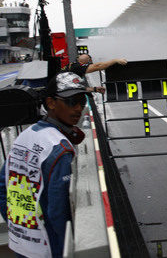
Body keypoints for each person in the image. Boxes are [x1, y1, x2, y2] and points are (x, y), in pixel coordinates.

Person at [0, 72, 89, 258]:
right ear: (51, 103)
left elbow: (2, 187)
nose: (79, 108)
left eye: (83, 100)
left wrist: (16, 225)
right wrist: (69, 249)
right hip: (48, 247)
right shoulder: (59, 149)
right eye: (72, 101)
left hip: (21, 242)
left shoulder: (25, 136)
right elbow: (57, 211)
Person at [62, 54, 127, 94]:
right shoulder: (78, 67)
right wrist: (116, 60)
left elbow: (75, 88)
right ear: (87, 61)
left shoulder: (73, 67)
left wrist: (94, 89)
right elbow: (98, 66)